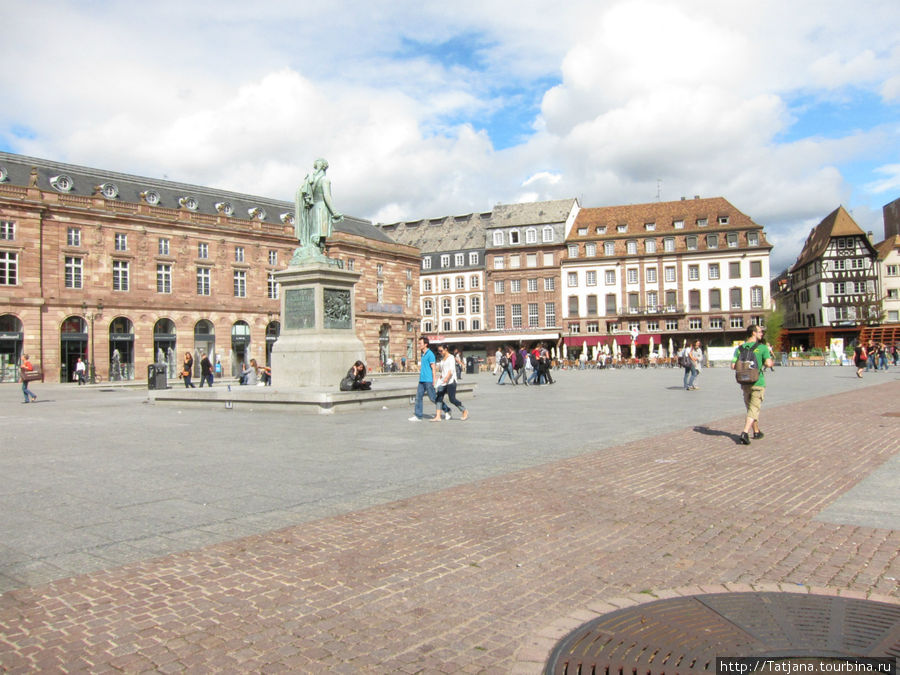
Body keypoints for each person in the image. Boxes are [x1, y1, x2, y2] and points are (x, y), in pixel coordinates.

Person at [731, 324, 774, 445]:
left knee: (751, 408)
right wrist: (769, 361)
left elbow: (733, 366)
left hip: (744, 382)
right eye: (760, 332)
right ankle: (745, 432)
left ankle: (756, 431)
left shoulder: (739, 348)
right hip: (758, 381)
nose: (762, 334)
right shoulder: (763, 348)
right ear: (753, 333)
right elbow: (769, 364)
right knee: (754, 408)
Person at [295, 158, 343, 256]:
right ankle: (318, 254)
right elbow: (327, 196)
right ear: (325, 168)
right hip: (321, 209)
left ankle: (317, 254)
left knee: (314, 235)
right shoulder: (325, 180)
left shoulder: (310, 181)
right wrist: (334, 212)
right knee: (320, 235)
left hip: (312, 209)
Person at [432, 344, 468, 421]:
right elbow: (443, 371)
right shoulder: (442, 359)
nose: (440, 352)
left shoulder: (451, 358)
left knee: (452, 399)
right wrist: (439, 379)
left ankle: (464, 410)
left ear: (446, 349)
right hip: (443, 382)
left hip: (451, 381)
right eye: (438, 351)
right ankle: (438, 416)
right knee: (439, 397)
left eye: (441, 350)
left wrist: (447, 378)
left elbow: (451, 370)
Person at [410, 336, 443, 421]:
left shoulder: (430, 354)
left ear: (426, 344)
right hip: (422, 380)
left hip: (428, 380)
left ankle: (446, 409)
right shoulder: (422, 354)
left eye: (420, 343)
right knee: (418, 397)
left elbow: (433, 367)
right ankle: (418, 415)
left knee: (433, 398)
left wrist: (434, 380)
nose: (419, 345)